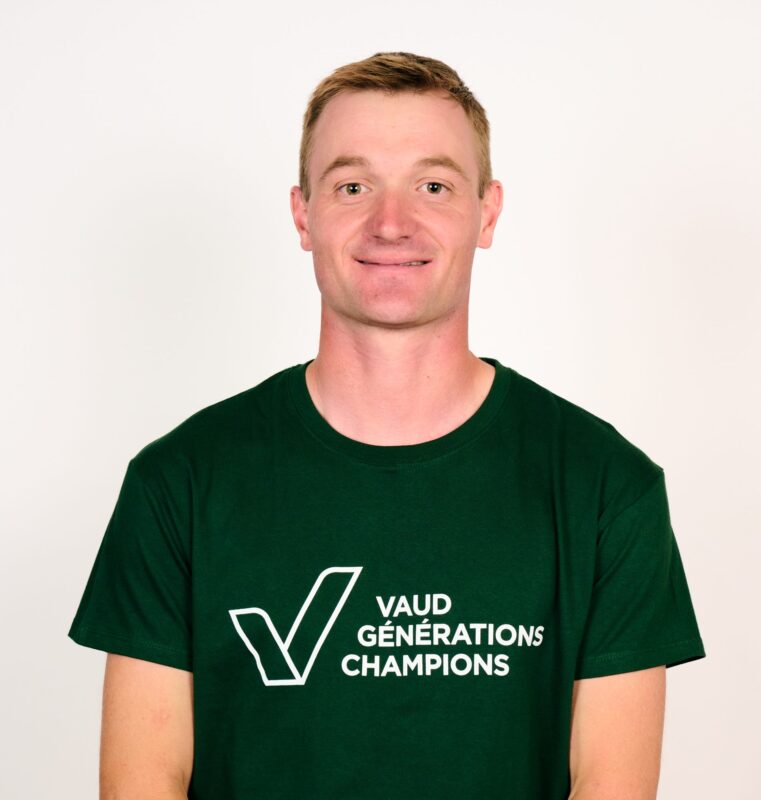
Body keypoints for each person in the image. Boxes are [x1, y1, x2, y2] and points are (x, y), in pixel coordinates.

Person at [68, 51, 706, 799]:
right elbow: (142, 783)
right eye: (353, 186)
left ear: (486, 212)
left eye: (433, 186)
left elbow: (611, 786)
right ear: (303, 214)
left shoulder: (607, 489)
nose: (391, 224)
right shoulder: (179, 484)